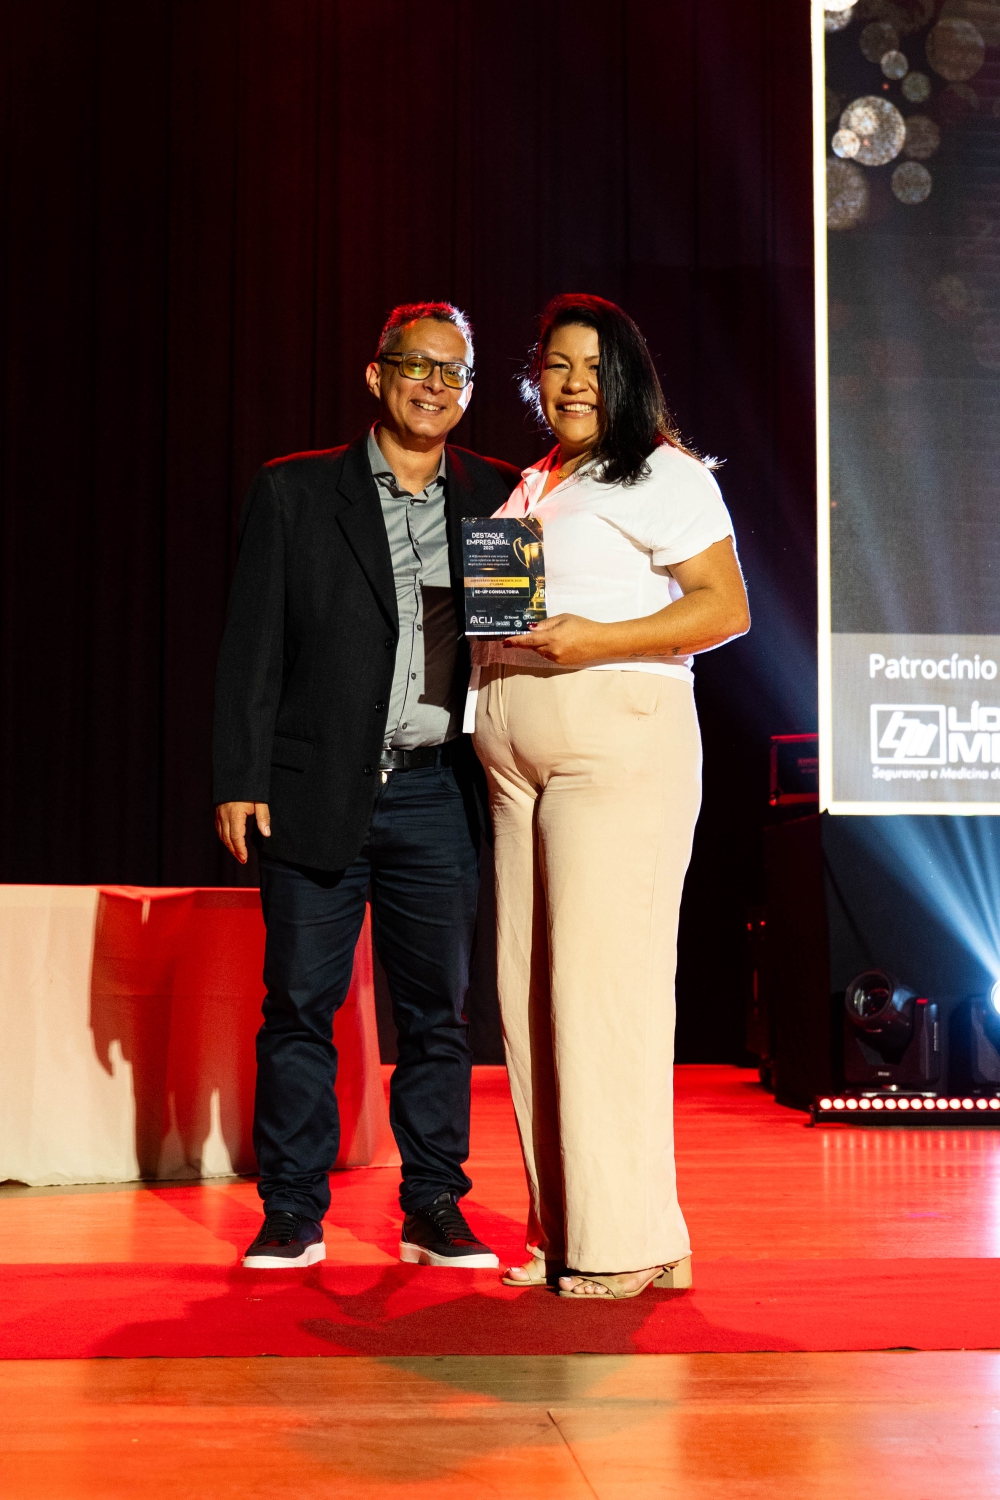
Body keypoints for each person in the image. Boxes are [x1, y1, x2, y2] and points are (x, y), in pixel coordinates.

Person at [213, 301, 520, 1270]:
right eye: (416, 366)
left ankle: (433, 1204)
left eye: (454, 372)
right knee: (300, 1005)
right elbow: (251, 647)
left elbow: (515, 644)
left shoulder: (501, 495)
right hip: (314, 786)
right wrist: (239, 775)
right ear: (377, 375)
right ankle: (291, 1210)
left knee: (438, 1016)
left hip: (439, 792)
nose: (435, 385)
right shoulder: (296, 490)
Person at [470, 294, 750, 1300]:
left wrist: (596, 640)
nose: (575, 383)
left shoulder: (661, 472)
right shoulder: (535, 480)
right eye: (557, 365)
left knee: (603, 993)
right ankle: (569, 1228)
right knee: (530, 999)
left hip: (617, 744)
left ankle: (623, 1241)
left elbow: (724, 607)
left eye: (594, 366)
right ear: (534, 379)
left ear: (628, 376)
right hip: (517, 761)